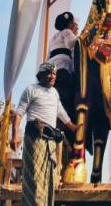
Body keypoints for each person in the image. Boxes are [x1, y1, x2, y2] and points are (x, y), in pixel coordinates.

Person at [12, 62, 78, 206]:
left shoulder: (54, 93)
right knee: (35, 179)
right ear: (40, 75)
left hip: (51, 142)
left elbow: (61, 112)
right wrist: (15, 134)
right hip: (35, 139)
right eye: (49, 73)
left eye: (54, 74)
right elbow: (19, 114)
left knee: (49, 179)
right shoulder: (31, 90)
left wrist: (73, 127)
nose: (52, 76)